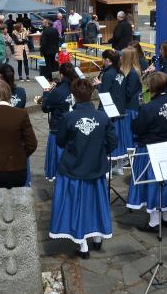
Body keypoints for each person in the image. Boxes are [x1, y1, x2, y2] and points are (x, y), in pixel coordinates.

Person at [49, 79, 117, 259]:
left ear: (74, 96)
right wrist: (98, 152)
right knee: (95, 203)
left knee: (78, 206)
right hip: (96, 169)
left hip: (74, 169)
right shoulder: (103, 117)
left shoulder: (68, 117)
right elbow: (113, 142)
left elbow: (61, 141)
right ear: (91, 94)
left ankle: (83, 245)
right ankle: (97, 238)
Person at [127, 72, 167, 231]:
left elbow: (137, 128)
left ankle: (154, 222)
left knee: (154, 185)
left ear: (152, 87)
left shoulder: (148, 108)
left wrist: (139, 115)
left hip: (152, 151)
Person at [42, 63, 78, 180]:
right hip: (73, 126)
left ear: (61, 74)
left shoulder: (58, 91)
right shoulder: (76, 86)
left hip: (58, 127)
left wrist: (46, 92)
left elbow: (45, 107)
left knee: (58, 158)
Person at [94, 49, 128, 172]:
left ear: (107, 60)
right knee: (120, 137)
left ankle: (108, 170)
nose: (102, 61)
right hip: (120, 109)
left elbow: (104, 93)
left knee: (109, 138)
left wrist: (98, 84)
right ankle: (119, 168)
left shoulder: (108, 74)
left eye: (103, 59)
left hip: (110, 110)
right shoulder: (121, 73)